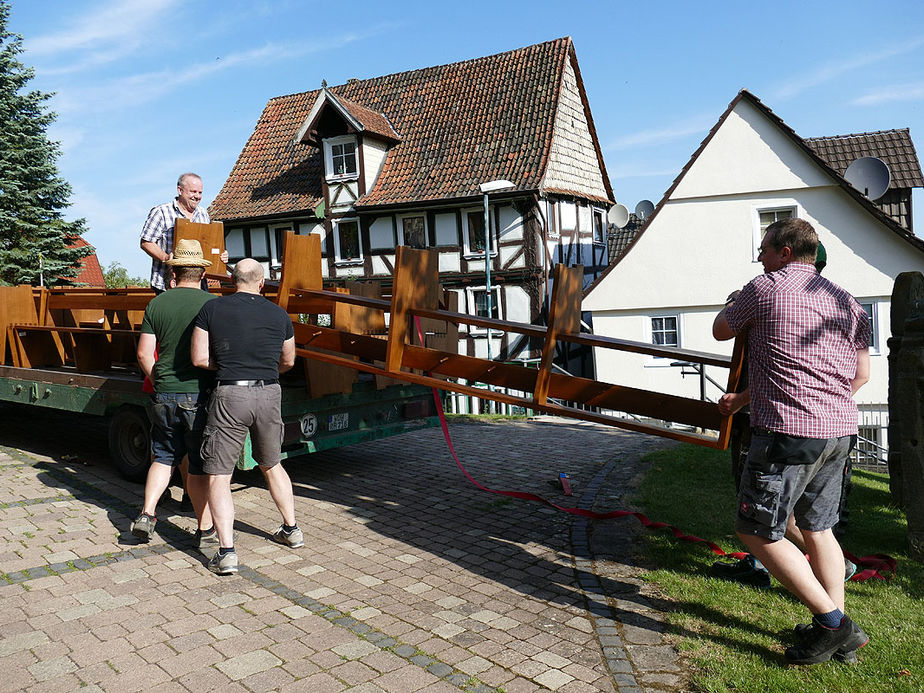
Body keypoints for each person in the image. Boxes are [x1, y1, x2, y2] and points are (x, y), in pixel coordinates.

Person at [712, 218, 870, 665]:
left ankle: (832, 624)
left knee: (756, 530)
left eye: (763, 248)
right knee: (820, 529)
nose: (759, 257)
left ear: (784, 251)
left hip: (788, 434)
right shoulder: (849, 302)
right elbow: (859, 375)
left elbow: (721, 330)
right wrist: (747, 399)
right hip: (840, 430)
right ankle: (837, 634)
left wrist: (736, 301)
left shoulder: (765, 288)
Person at [190, 258, 303, 575]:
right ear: (262, 283)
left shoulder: (212, 309)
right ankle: (291, 530)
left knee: (218, 474)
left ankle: (226, 553)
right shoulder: (280, 314)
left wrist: (229, 367)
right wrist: (264, 372)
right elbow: (289, 360)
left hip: (231, 393)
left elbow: (199, 358)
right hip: (269, 393)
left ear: (232, 280)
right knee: (272, 463)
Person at [131, 240, 219, 554]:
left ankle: (147, 513)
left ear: (174, 273)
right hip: (199, 395)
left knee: (164, 456)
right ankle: (205, 529)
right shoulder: (212, 304)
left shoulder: (157, 304)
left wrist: (159, 380)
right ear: (202, 273)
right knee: (196, 465)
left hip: (163, 393)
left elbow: (143, 354)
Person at [140, 173, 210, 293]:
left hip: (197, 284)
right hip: (167, 283)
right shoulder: (161, 212)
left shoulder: (204, 214)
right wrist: (166, 257)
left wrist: (220, 255)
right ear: (180, 190)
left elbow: (208, 244)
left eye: (200, 192)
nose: (197, 196)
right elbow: (146, 242)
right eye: (193, 192)